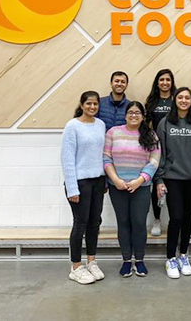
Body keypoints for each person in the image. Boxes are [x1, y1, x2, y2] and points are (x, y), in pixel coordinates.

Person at [103, 101, 160, 278]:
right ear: (125, 115)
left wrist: (139, 180)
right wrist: (116, 180)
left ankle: (140, 260)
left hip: (141, 187)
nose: (134, 115)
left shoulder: (150, 135)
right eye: (131, 112)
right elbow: (106, 159)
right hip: (117, 187)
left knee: (139, 223)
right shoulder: (113, 133)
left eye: (137, 113)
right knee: (123, 223)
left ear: (143, 116)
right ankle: (127, 261)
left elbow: (154, 161)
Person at [154, 87, 191, 279]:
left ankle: (183, 255)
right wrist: (158, 178)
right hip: (172, 178)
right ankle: (170, 258)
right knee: (175, 218)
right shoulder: (165, 123)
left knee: (187, 219)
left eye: (187, 98)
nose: (183, 100)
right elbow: (158, 153)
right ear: (175, 100)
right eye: (180, 97)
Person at [61, 91, 107, 285]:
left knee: (94, 223)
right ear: (81, 104)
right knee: (80, 223)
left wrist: (104, 180)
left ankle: (91, 261)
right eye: (88, 103)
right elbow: (67, 158)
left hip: (97, 181)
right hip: (79, 182)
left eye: (95, 104)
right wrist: (72, 188)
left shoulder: (101, 125)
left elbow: (102, 154)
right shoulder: (72, 126)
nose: (92, 107)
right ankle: (76, 266)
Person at [145, 69, 176, 237]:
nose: (165, 82)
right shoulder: (151, 102)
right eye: (161, 79)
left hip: (175, 147)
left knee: (173, 183)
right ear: (157, 83)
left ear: (172, 82)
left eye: (168, 80)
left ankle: (174, 220)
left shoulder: (176, 99)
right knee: (156, 183)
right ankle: (157, 219)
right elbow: (147, 124)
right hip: (156, 148)